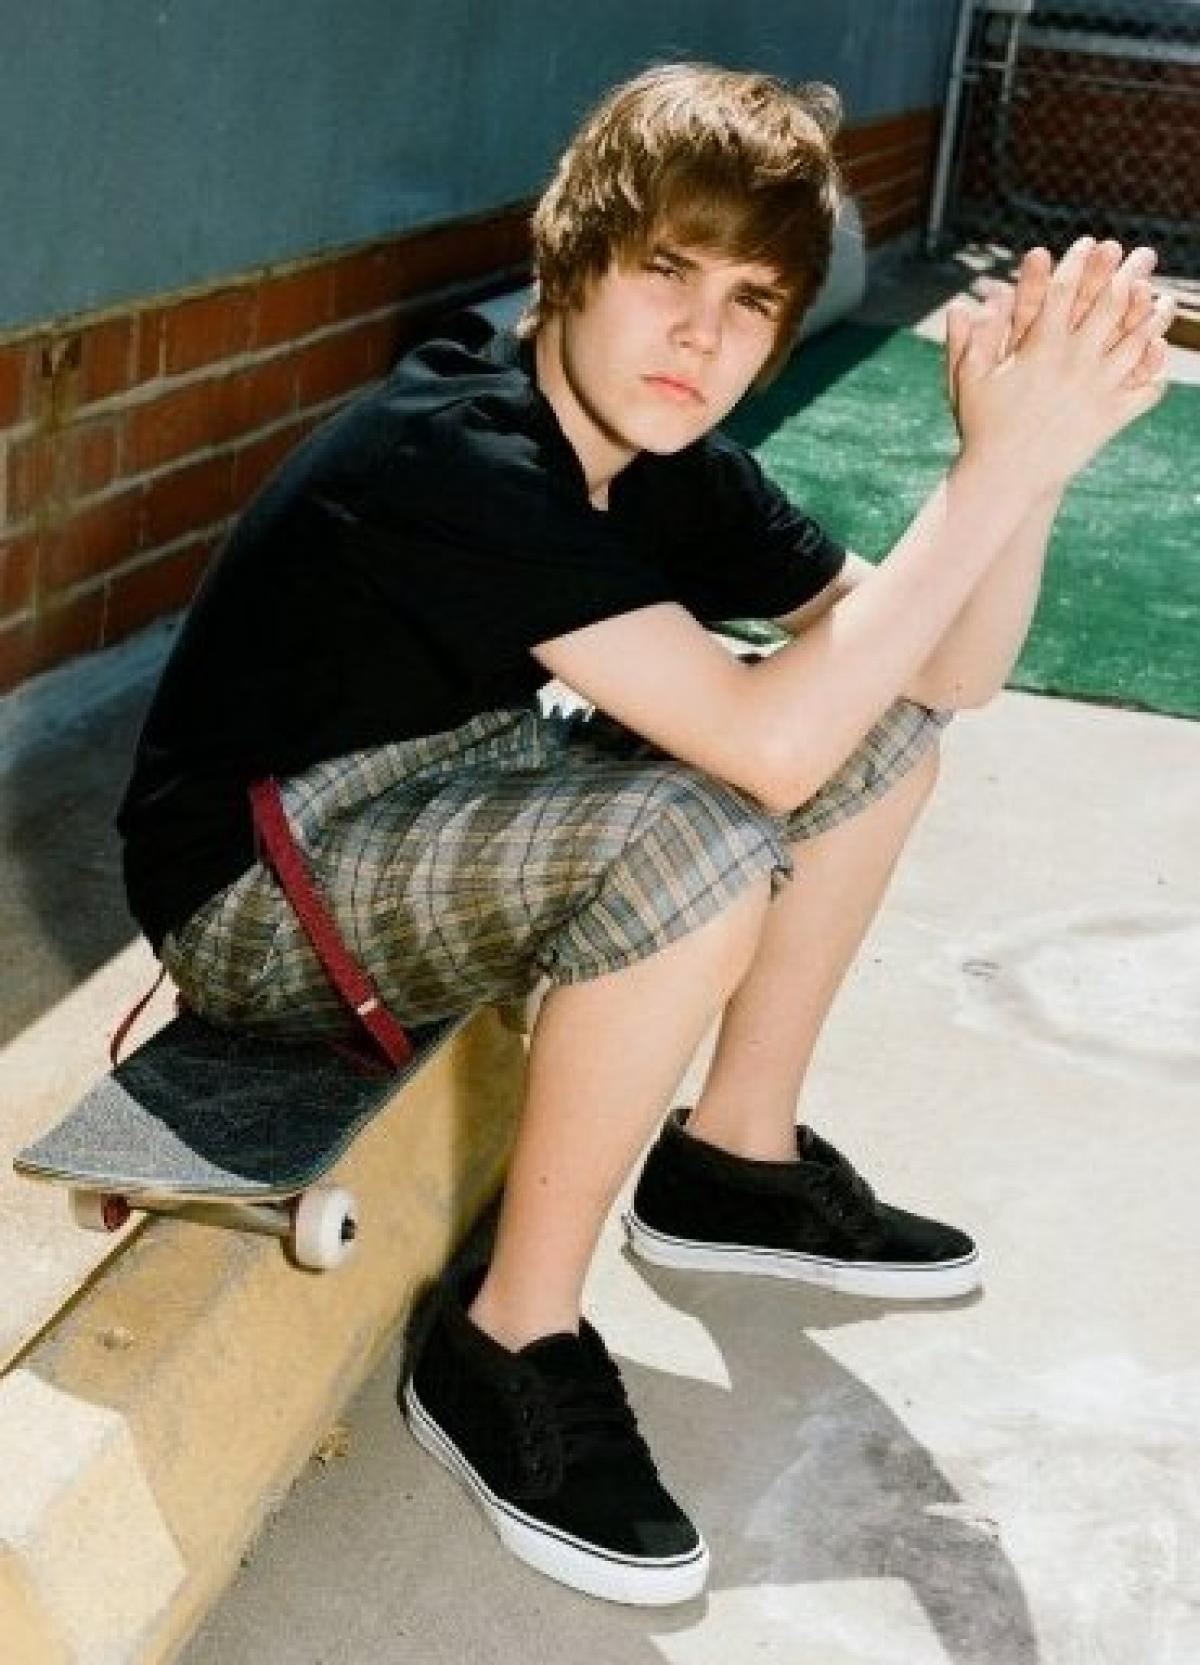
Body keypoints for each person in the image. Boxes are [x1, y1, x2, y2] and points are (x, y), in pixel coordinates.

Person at [116, 62, 1172, 1606]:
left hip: (450, 786)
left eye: (750, 300)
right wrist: (991, 471)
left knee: (880, 734)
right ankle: (508, 1338)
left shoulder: (665, 460)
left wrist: (1025, 479)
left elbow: (941, 674)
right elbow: (763, 744)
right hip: (259, 885)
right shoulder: (459, 446)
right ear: (572, 260)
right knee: (693, 831)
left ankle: (734, 1159)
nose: (700, 333)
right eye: (665, 269)